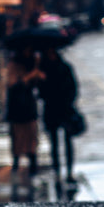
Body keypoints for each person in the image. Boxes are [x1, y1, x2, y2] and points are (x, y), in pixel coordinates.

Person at [37, 46, 78, 182]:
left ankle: (69, 170)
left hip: (64, 108)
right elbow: (40, 91)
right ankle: (57, 170)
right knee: (54, 142)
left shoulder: (65, 67)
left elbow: (73, 87)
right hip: (51, 109)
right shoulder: (42, 70)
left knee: (67, 142)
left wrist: (69, 101)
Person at [5, 45, 43, 176]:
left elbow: (37, 87)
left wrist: (37, 74)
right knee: (18, 137)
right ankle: (16, 161)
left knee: (31, 136)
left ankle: (32, 161)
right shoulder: (14, 65)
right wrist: (28, 77)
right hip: (17, 107)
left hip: (29, 107)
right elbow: (12, 84)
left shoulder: (33, 64)